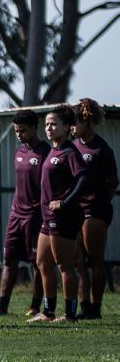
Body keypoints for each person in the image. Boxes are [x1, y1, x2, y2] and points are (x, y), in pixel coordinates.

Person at [30, 104, 89, 323]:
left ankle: (70, 314)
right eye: (46, 124)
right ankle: (48, 312)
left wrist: (64, 202)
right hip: (48, 216)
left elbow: (83, 179)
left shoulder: (69, 152)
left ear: (66, 128)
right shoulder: (53, 149)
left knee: (64, 265)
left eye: (54, 124)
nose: (49, 128)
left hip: (63, 217)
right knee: (42, 262)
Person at [0, 109, 48, 317]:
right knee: (9, 259)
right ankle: (1, 306)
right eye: (16, 131)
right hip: (16, 213)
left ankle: (35, 306)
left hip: (36, 215)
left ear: (34, 128)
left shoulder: (45, 153)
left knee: (38, 262)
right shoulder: (19, 152)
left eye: (23, 130)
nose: (19, 134)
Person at [71, 98, 117, 320]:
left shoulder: (101, 149)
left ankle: (96, 308)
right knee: (78, 262)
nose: (71, 127)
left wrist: (99, 200)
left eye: (75, 123)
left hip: (95, 210)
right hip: (76, 210)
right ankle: (84, 306)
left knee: (95, 260)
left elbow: (113, 181)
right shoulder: (73, 146)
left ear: (86, 122)